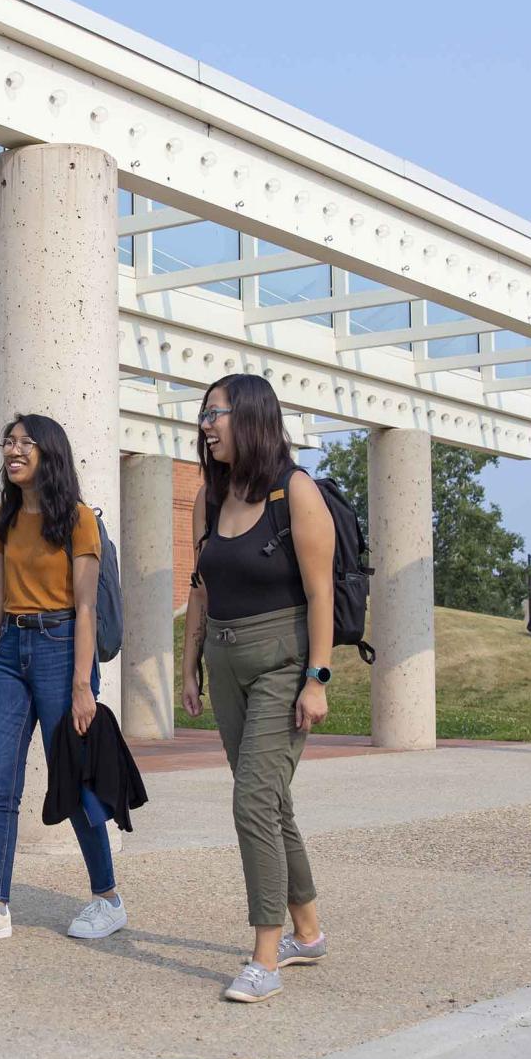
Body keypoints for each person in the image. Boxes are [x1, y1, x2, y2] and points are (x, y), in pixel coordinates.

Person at [0, 414, 129, 948]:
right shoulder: (1, 519)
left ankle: (107, 898)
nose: (14, 449)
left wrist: (81, 685)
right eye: (9, 441)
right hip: (11, 654)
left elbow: (87, 604)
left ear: (50, 453)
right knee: (1, 783)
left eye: (27, 442)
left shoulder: (76, 519)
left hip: (61, 648)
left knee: (73, 779)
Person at [181, 373, 332, 1004]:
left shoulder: (294, 491)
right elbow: (199, 586)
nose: (207, 424)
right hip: (224, 658)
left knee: (251, 803)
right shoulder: (208, 498)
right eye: (204, 415)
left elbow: (321, 591)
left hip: (282, 660)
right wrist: (188, 660)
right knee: (272, 803)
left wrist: (317, 678)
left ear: (251, 416)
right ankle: (309, 932)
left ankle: (265, 955)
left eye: (217, 413)